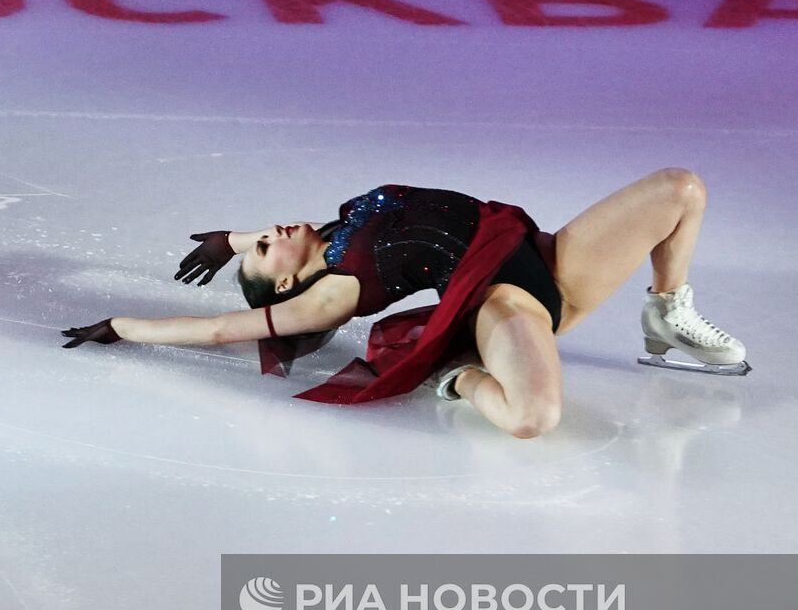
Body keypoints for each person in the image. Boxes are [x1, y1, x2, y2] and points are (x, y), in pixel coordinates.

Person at [62, 169, 749, 439]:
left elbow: (271, 242)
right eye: (265, 249)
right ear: (286, 286)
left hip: (550, 257)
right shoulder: (327, 295)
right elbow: (218, 328)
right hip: (505, 300)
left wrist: (230, 241)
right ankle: (461, 375)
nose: (269, 232)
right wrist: (124, 326)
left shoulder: (327, 233)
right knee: (533, 418)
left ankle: (667, 311)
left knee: (681, 190)